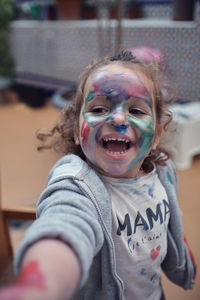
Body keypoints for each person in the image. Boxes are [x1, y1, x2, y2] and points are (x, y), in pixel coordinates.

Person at [0, 50, 196, 300]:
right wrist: (40, 284)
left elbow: (171, 221)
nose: (117, 118)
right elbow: (66, 224)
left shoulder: (164, 173)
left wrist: (182, 253)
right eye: (100, 108)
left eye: (136, 111)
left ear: (156, 135)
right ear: (75, 130)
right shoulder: (78, 185)